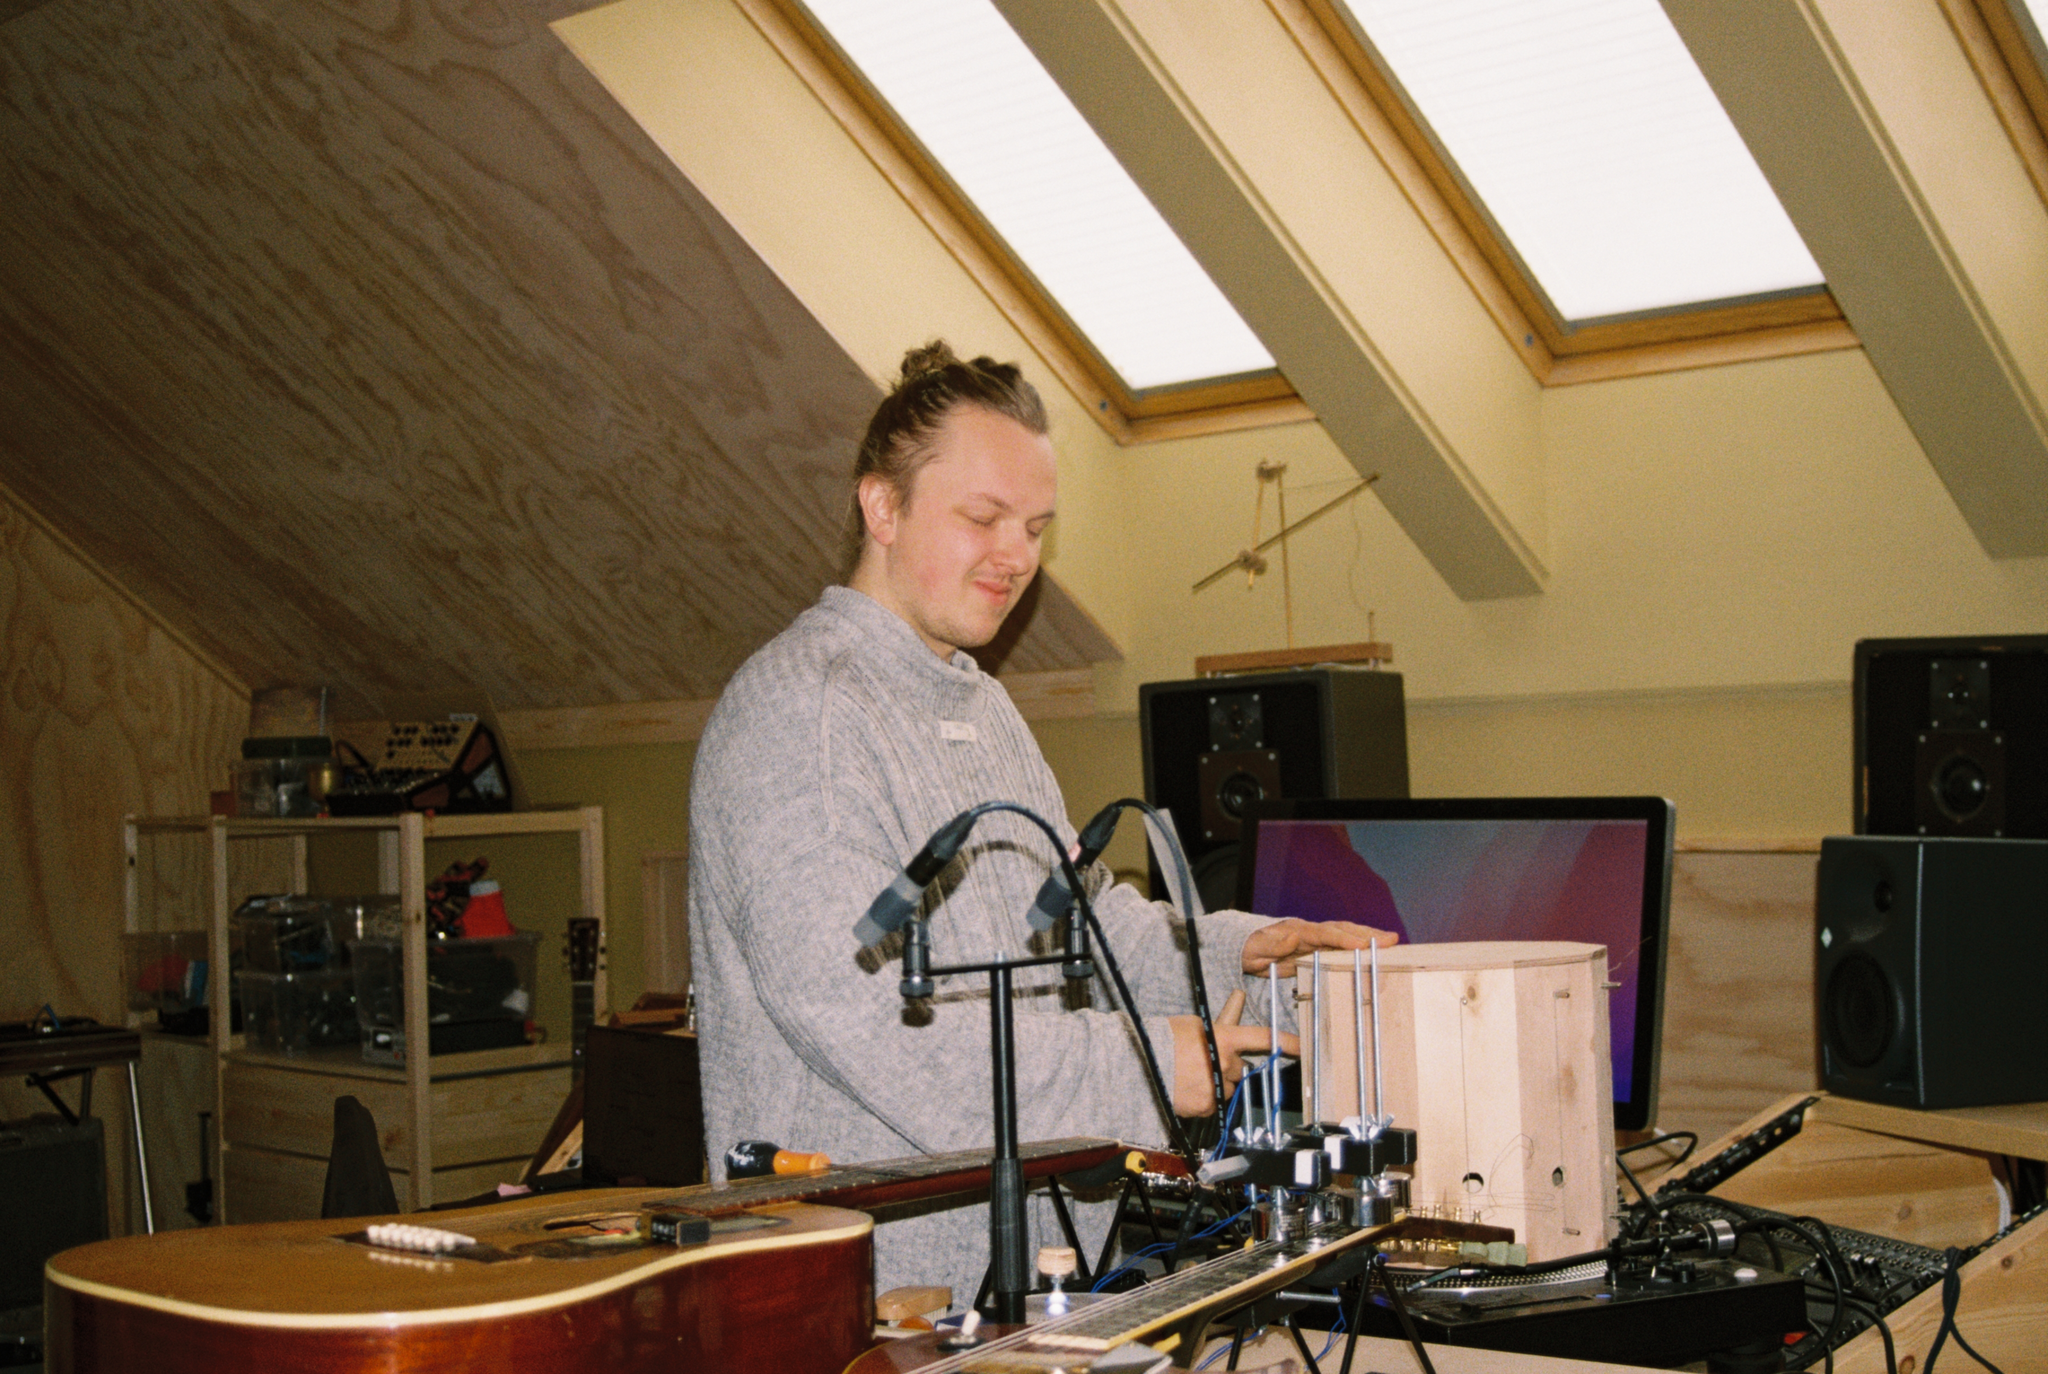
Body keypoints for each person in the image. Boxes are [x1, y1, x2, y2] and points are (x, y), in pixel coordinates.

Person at [688, 341, 1394, 1299]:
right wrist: (1146, 1066)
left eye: (1034, 528)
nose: (1017, 556)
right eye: (983, 518)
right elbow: (865, 1017)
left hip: (1024, 1277)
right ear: (883, 507)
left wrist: (1240, 957)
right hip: (853, 1302)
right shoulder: (797, 716)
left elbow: (1075, 924)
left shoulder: (982, 707)